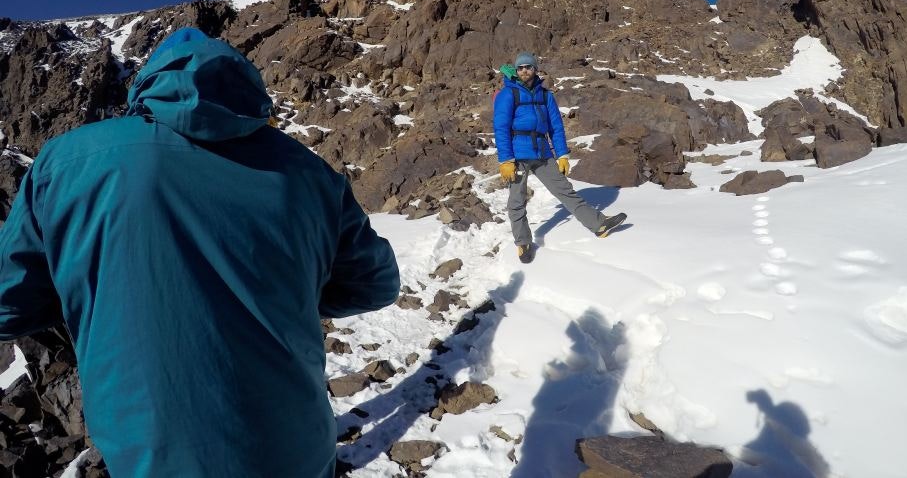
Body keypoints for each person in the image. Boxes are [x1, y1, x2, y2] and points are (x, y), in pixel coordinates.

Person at [0, 28, 400, 477]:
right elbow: (378, 284)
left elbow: (7, 306)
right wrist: (290, 292)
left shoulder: (69, 163)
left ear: (146, 83)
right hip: (296, 450)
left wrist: (96, 290)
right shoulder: (311, 175)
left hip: (153, 454)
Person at [493, 52, 626, 263]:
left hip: (543, 152)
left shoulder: (546, 96)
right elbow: (500, 128)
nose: (525, 70)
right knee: (516, 201)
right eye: (521, 68)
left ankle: (598, 224)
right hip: (517, 155)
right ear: (516, 72)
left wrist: (562, 154)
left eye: (529, 67)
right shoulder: (508, 94)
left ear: (536, 69)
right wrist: (506, 160)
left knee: (565, 191)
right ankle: (523, 242)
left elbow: (556, 127)